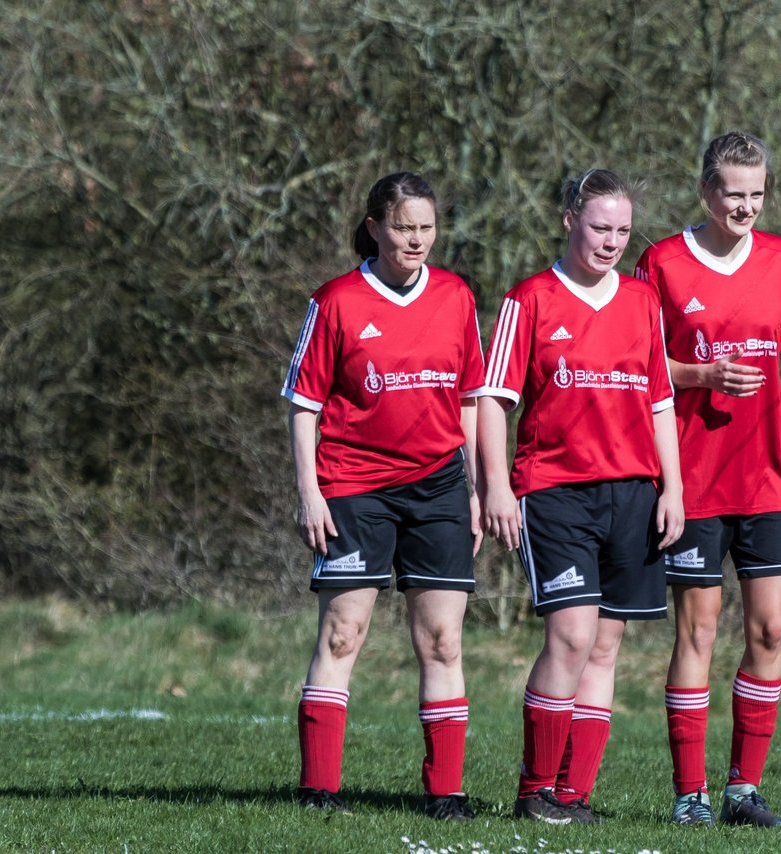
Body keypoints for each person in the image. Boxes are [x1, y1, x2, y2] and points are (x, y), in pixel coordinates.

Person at [634, 131, 781, 829]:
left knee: (771, 629)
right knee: (696, 632)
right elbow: (632, 366)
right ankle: (689, 796)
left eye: (757, 194)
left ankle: (741, 792)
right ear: (706, 191)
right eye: (734, 193)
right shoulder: (662, 263)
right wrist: (700, 375)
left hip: (767, 477)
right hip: (691, 479)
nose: (746, 206)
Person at [477, 168, 684, 825]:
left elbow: (658, 400)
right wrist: (495, 488)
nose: (611, 242)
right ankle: (535, 791)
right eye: (600, 227)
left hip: (633, 492)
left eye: (623, 231)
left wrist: (672, 487)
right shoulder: (528, 300)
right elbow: (492, 402)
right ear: (569, 220)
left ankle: (575, 796)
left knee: (605, 645)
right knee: (569, 634)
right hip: (555, 491)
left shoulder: (642, 301)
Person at [280, 171, 485, 821]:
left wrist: (477, 489)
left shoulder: (456, 297)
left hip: (438, 487)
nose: (416, 240)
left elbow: (473, 400)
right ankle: (318, 791)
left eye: (426, 227)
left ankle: (445, 794)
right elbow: (304, 405)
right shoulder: (337, 301)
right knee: (344, 632)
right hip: (352, 486)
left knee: (443, 641)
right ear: (374, 228)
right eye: (403, 227)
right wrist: (310, 492)